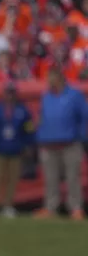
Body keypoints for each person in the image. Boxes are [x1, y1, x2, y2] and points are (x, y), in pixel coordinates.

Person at [35, 67, 87, 220]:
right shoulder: (46, 96)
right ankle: (51, 207)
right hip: (48, 144)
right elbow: (42, 117)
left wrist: (80, 136)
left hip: (70, 143)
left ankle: (75, 208)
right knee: (50, 178)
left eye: (51, 77)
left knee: (73, 177)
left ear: (59, 78)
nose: (49, 81)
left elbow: (84, 116)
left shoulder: (74, 95)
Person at [0, 83, 35, 218]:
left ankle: (8, 205)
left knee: (12, 179)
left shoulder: (23, 110)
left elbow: (28, 129)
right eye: (8, 93)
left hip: (16, 150)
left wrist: (27, 145)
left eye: (12, 93)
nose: (10, 96)